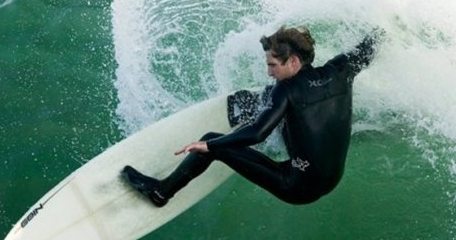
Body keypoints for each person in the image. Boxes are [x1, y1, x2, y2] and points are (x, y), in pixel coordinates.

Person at [122, 26, 384, 207]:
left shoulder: (288, 90)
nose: (269, 72)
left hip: (297, 185)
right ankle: (260, 108)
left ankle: (160, 192)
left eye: (273, 65)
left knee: (214, 140)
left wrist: (209, 145)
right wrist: (388, 25)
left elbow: (258, 133)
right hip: (331, 179)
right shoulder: (341, 70)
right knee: (274, 100)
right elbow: (369, 46)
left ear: (293, 62)